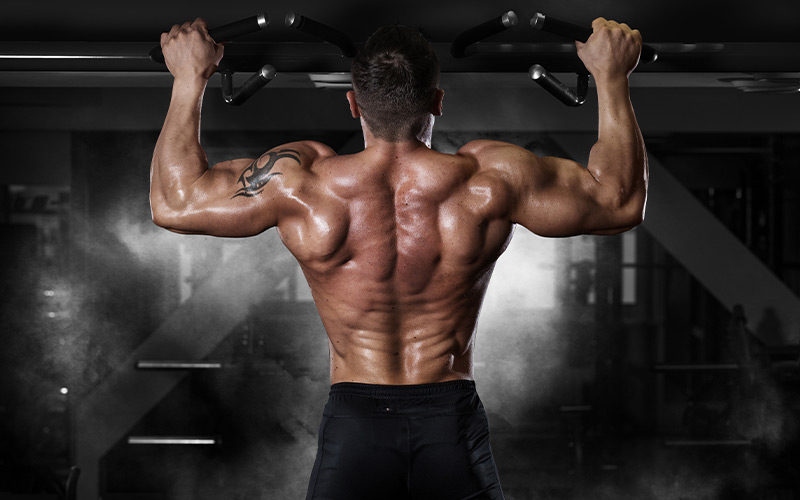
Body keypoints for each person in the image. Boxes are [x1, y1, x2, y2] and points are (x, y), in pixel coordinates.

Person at [151, 16, 647, 500]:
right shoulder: (489, 181)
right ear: (437, 101)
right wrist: (611, 77)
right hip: (449, 421)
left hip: (355, 426)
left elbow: (175, 203)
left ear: (352, 104)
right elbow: (620, 201)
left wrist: (189, 78)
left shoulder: (302, 184)